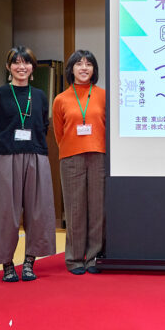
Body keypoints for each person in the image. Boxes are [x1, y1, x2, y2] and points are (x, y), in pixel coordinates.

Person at [0, 46, 55, 282]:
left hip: (36, 156)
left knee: (38, 211)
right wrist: (0, 151)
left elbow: (43, 126)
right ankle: (7, 265)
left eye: (26, 62)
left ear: (33, 68)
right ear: (8, 67)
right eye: (16, 62)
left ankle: (29, 263)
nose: (21, 66)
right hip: (5, 157)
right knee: (5, 212)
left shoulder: (41, 96)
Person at [52, 50, 106, 275]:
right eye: (79, 64)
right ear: (71, 69)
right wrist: (70, 149)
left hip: (99, 155)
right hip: (71, 157)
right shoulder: (61, 99)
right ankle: (74, 259)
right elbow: (58, 132)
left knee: (97, 207)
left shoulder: (103, 95)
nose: (84, 68)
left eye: (89, 64)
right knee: (75, 209)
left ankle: (94, 257)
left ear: (94, 70)